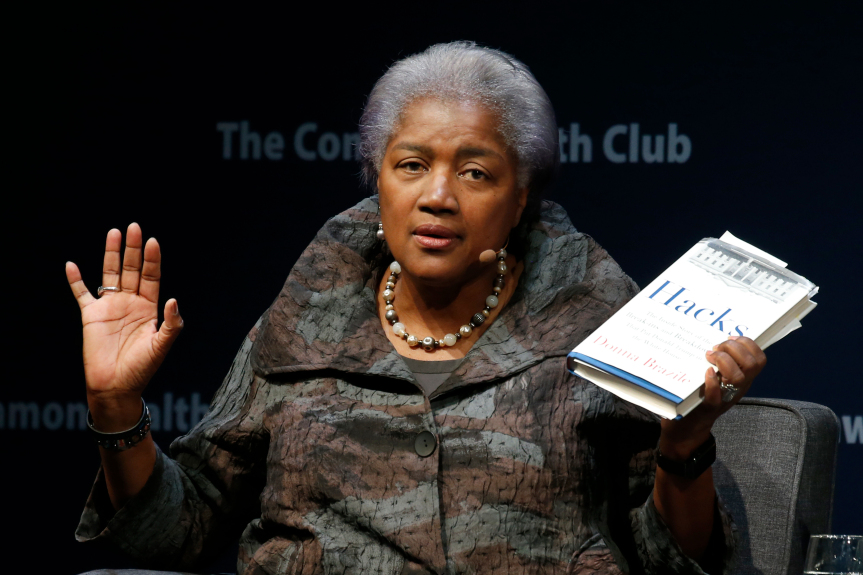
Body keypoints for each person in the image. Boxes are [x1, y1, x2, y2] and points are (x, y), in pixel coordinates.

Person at [68, 41, 765, 574]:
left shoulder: (594, 318)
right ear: (378, 183)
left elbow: (676, 559)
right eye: (410, 165)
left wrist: (681, 451)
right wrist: (115, 411)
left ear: (519, 197)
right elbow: (178, 530)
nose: (437, 194)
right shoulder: (306, 316)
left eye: (474, 171)